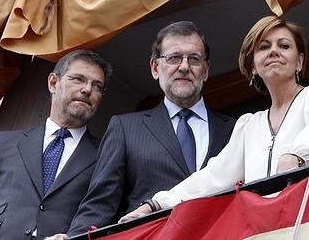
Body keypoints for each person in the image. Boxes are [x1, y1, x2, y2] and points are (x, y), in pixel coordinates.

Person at [119, 15, 309, 222]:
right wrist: (156, 203)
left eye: (284, 46)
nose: (274, 51)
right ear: (253, 65)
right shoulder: (248, 126)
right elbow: (212, 177)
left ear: (299, 61)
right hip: (267, 231)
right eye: (264, 47)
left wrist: (294, 157)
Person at [66, 21, 235, 236]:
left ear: (205, 70)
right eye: (174, 58)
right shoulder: (125, 128)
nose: (184, 66)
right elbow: (99, 204)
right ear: (155, 68)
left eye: (194, 59)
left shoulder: (234, 130)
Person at [0, 50, 112, 240]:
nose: (87, 89)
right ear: (53, 83)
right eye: (78, 79)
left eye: (97, 86)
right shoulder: (4, 143)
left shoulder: (105, 156)